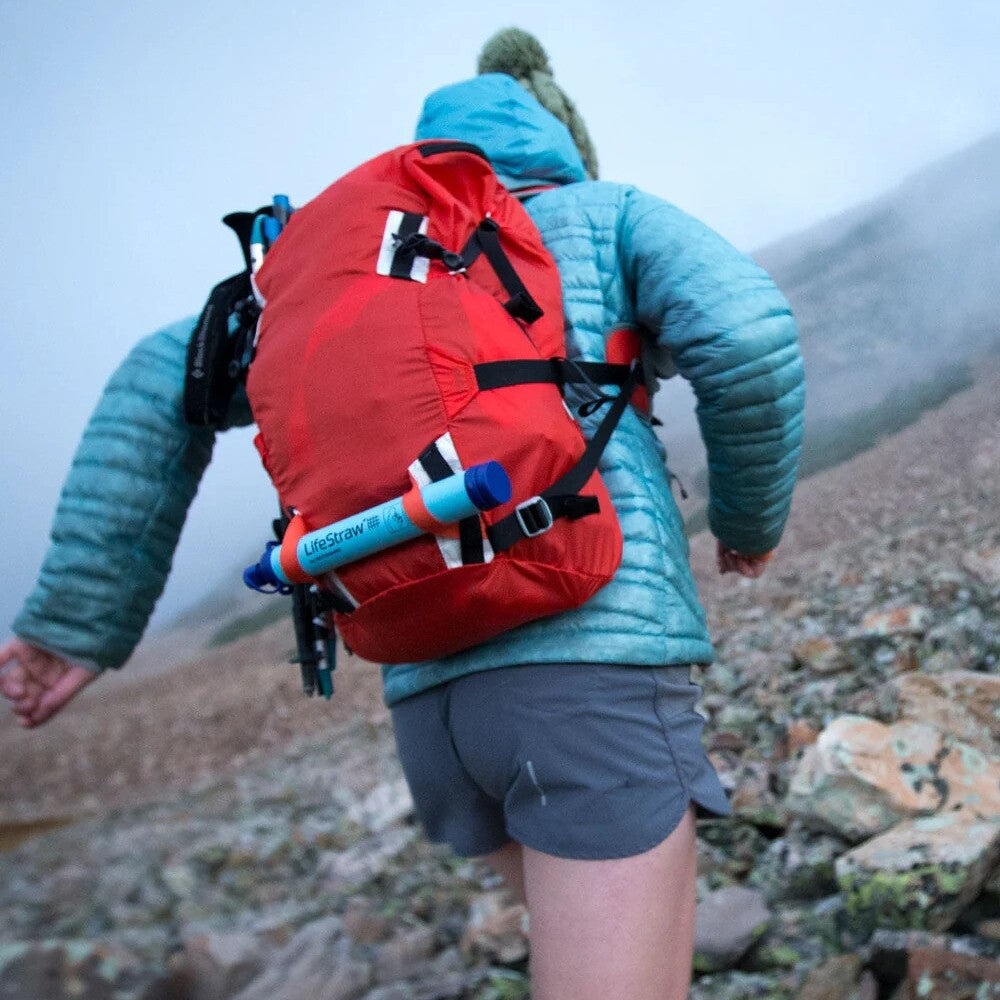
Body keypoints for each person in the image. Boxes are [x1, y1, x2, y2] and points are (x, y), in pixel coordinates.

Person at [0, 28, 804, 1000]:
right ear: (563, 143)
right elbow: (749, 336)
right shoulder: (604, 214)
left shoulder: (340, 266)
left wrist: (73, 625)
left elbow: (147, 387)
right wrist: (750, 523)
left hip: (426, 699)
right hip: (589, 666)